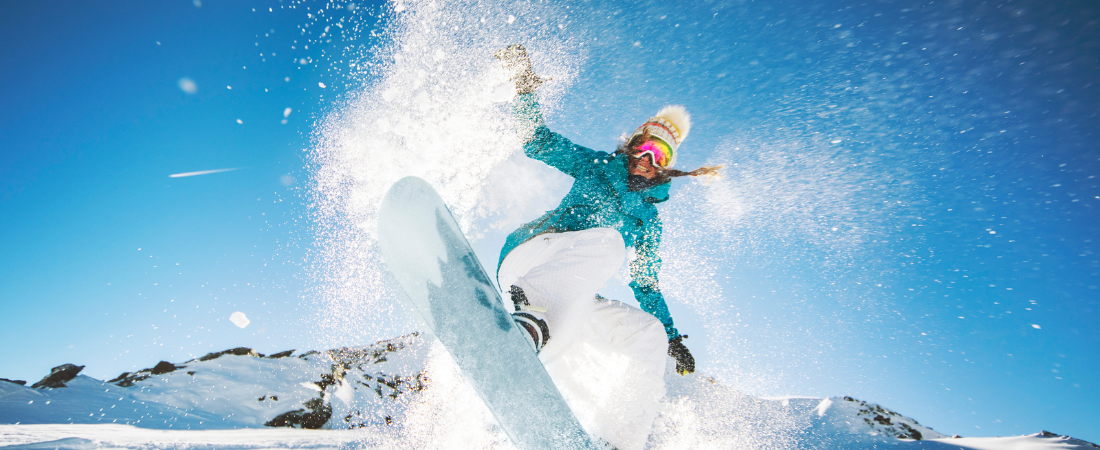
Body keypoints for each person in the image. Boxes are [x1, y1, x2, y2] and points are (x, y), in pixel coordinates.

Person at [493, 44, 720, 450]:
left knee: (645, 334)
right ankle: (529, 321)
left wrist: (672, 337)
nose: (648, 158)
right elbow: (538, 143)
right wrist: (525, 86)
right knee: (610, 242)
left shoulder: (648, 221)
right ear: (633, 143)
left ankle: (618, 442)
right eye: (645, 145)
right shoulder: (596, 166)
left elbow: (645, 284)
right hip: (530, 262)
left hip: (567, 300)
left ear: (667, 165)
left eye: (660, 154)